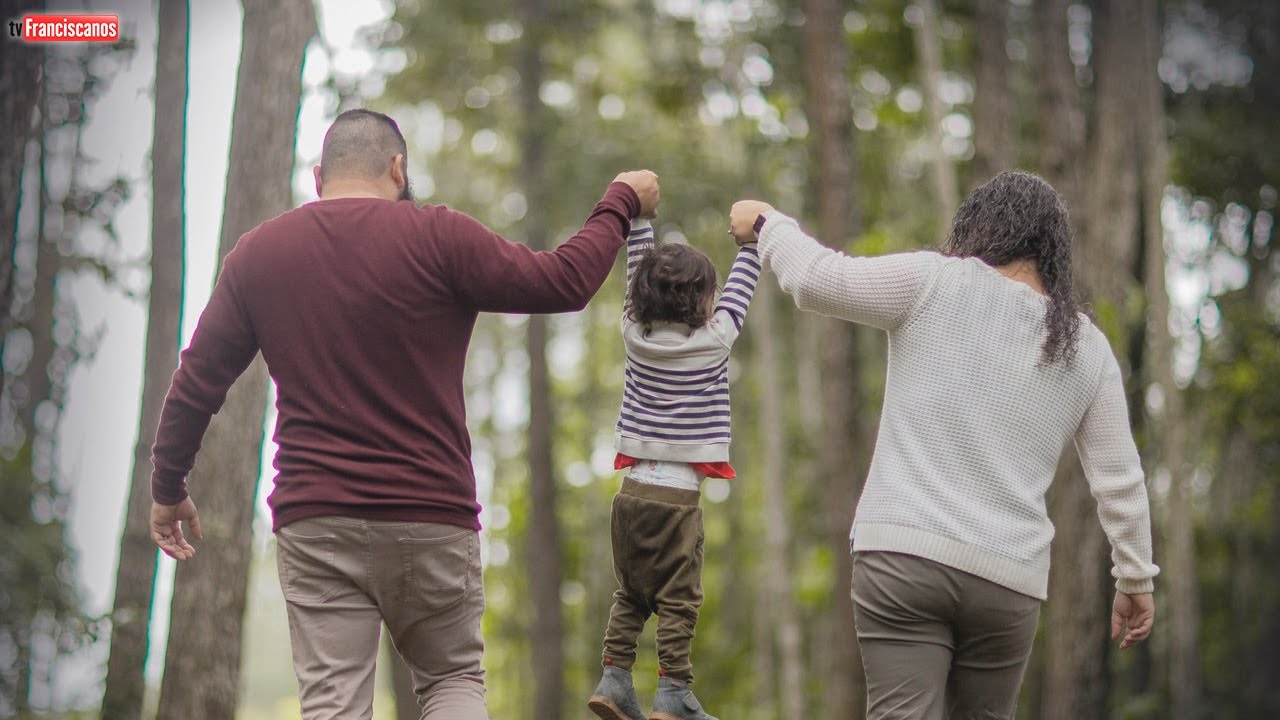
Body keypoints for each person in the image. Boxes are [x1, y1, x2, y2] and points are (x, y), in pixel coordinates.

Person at [147, 108, 660, 720]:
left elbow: (198, 379)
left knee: (333, 705)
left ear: (319, 177)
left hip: (317, 519)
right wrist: (620, 201)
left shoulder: (260, 254)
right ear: (398, 168)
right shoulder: (438, 236)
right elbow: (563, 282)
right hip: (430, 515)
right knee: (451, 682)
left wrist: (168, 484)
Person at [727, 170, 1158, 720]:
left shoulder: (933, 281)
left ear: (978, 229)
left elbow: (815, 279)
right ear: (1053, 251)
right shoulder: (1086, 347)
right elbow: (1120, 479)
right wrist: (1135, 576)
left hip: (903, 558)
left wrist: (766, 223)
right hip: (1008, 580)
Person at [587, 219, 760, 720]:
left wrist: (639, 221)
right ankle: (673, 693)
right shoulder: (714, 340)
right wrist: (751, 242)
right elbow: (743, 286)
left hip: (631, 494)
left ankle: (614, 678)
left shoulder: (632, 336)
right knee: (679, 602)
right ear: (704, 302)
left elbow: (631, 277)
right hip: (676, 503)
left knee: (631, 593)